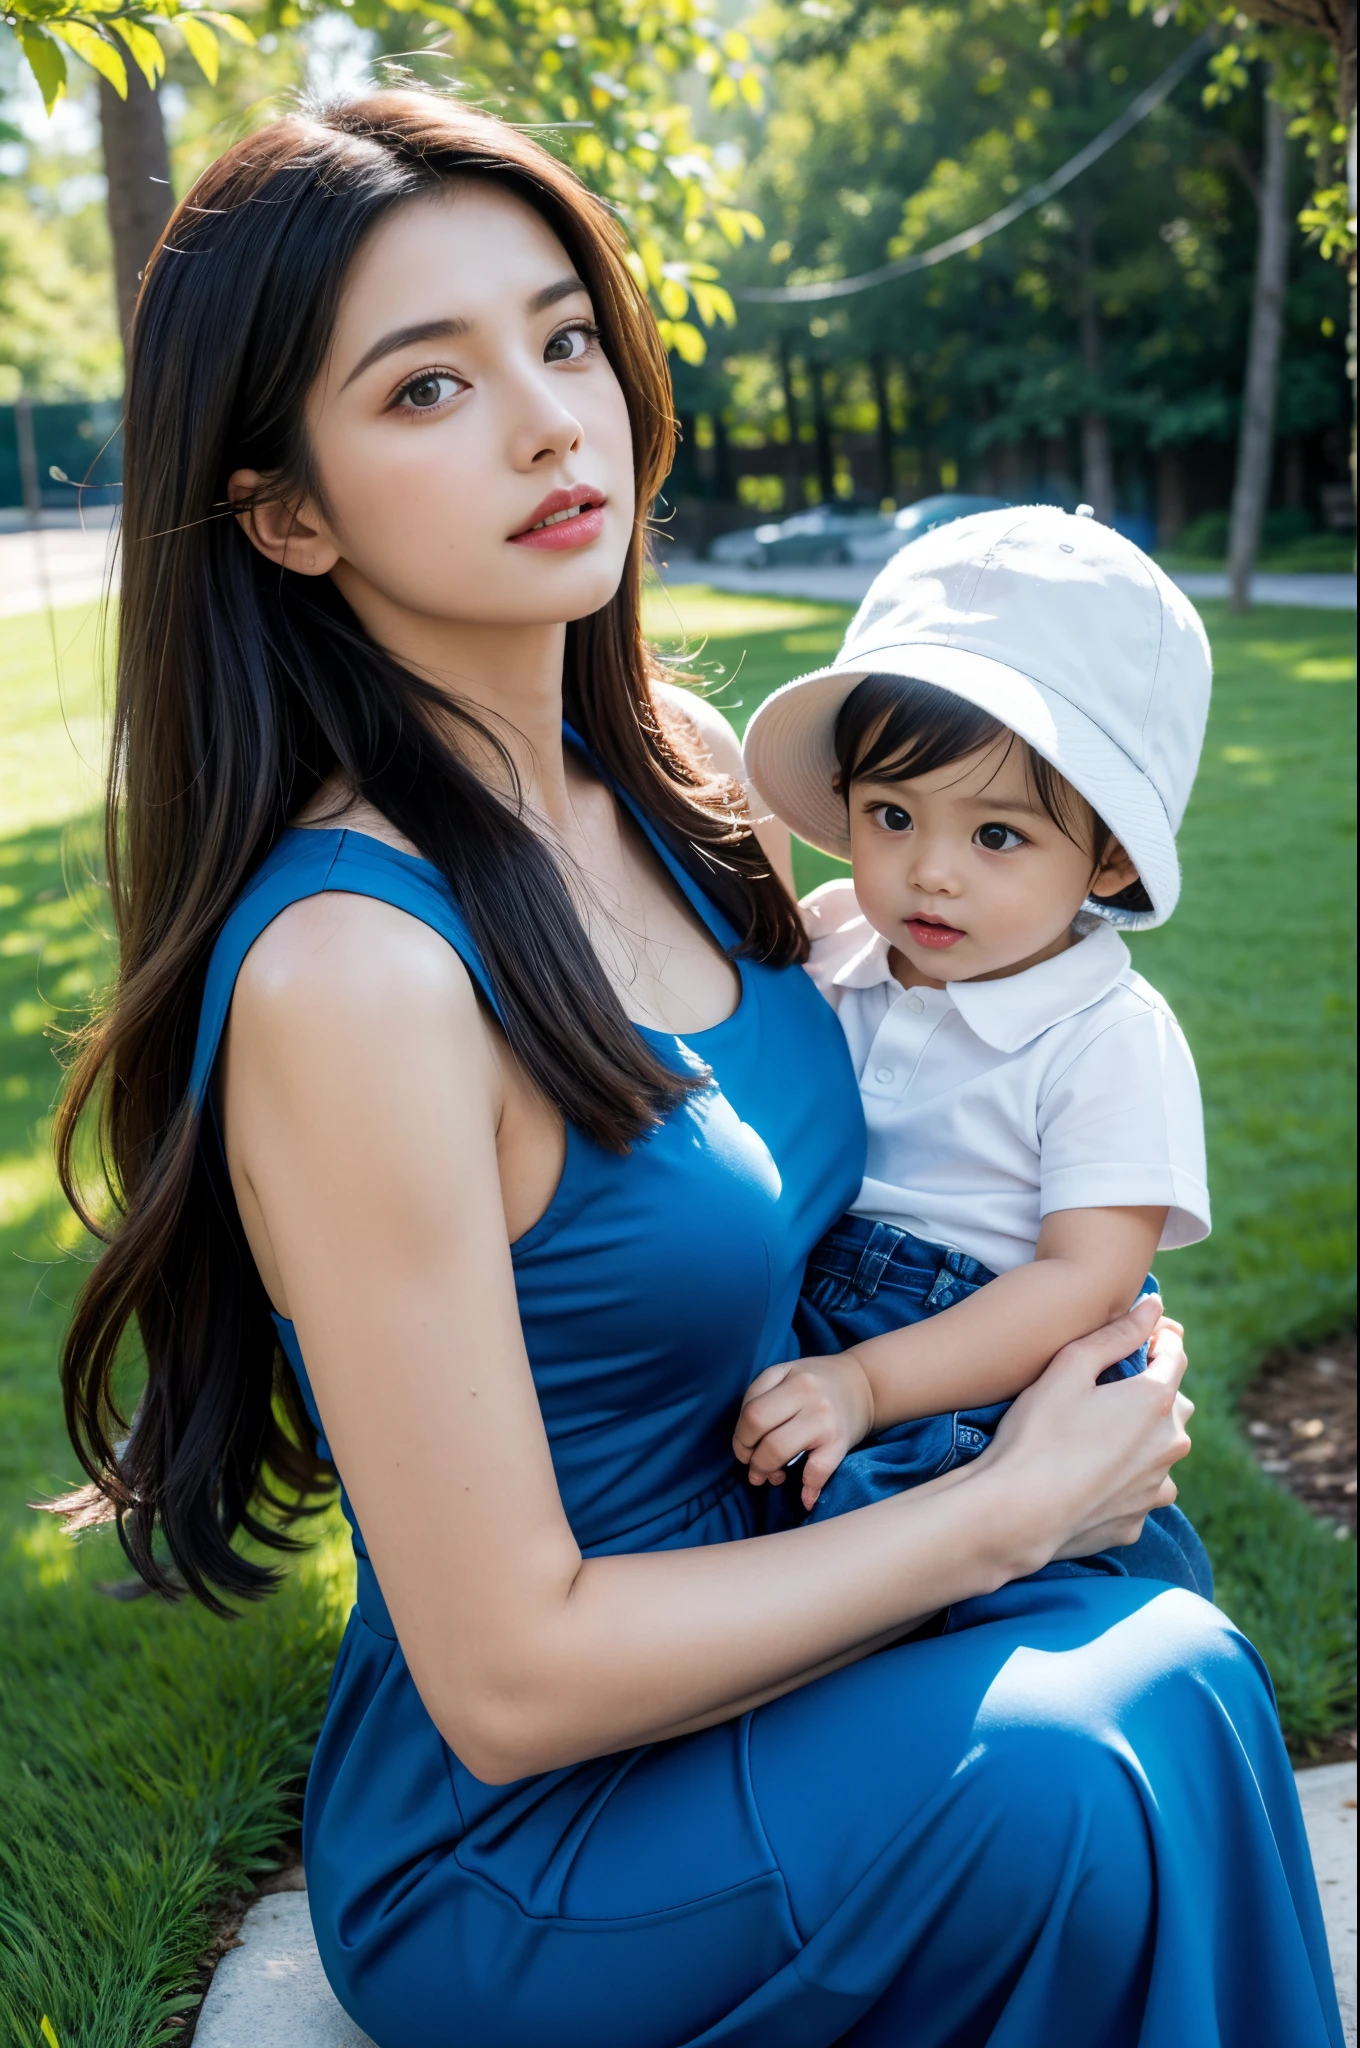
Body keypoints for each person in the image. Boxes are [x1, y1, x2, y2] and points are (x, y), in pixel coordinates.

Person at [50, 91, 1342, 2048]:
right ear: (284, 510)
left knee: (1171, 1668)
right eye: (426, 387)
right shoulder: (355, 977)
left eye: (563, 337)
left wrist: (1050, 1323)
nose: (551, 418)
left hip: (809, 1604)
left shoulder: (672, 772)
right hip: (537, 1825)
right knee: (1085, 1752)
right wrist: (1001, 1506)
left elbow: (956, 1061)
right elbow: (506, 1676)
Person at [734, 512, 1211, 1604]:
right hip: (803, 1326)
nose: (929, 873)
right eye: (891, 814)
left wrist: (865, 1379)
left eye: (996, 834)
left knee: (968, 1618)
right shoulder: (832, 943)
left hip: (992, 1382)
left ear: (1107, 854)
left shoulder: (1106, 1037)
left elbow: (1083, 1279)